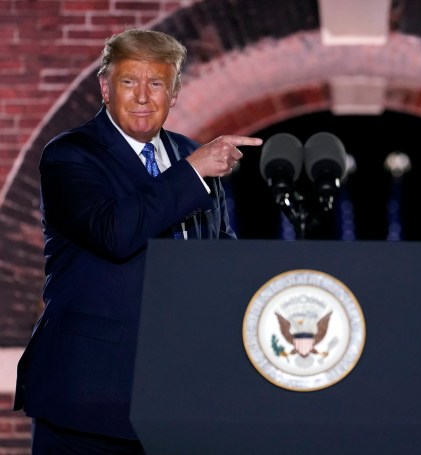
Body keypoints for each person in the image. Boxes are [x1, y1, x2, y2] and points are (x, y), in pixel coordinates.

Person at [13, 29, 262, 453]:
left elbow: (221, 258)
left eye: (157, 83)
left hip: (182, 394)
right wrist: (192, 171)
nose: (143, 96)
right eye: (129, 82)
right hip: (90, 395)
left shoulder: (191, 155)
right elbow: (115, 232)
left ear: (175, 92)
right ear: (105, 88)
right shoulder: (70, 155)